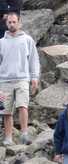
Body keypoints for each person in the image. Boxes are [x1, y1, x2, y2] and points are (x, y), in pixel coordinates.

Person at [0, 13, 40, 146]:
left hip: (22, 78)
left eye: (14, 22)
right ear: (6, 24)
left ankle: (24, 134)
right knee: (6, 111)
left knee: (23, 106)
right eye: (9, 22)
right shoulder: (1, 42)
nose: (12, 24)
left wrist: (34, 77)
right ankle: (8, 138)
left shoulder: (27, 40)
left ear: (19, 23)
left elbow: (33, 59)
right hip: (4, 81)